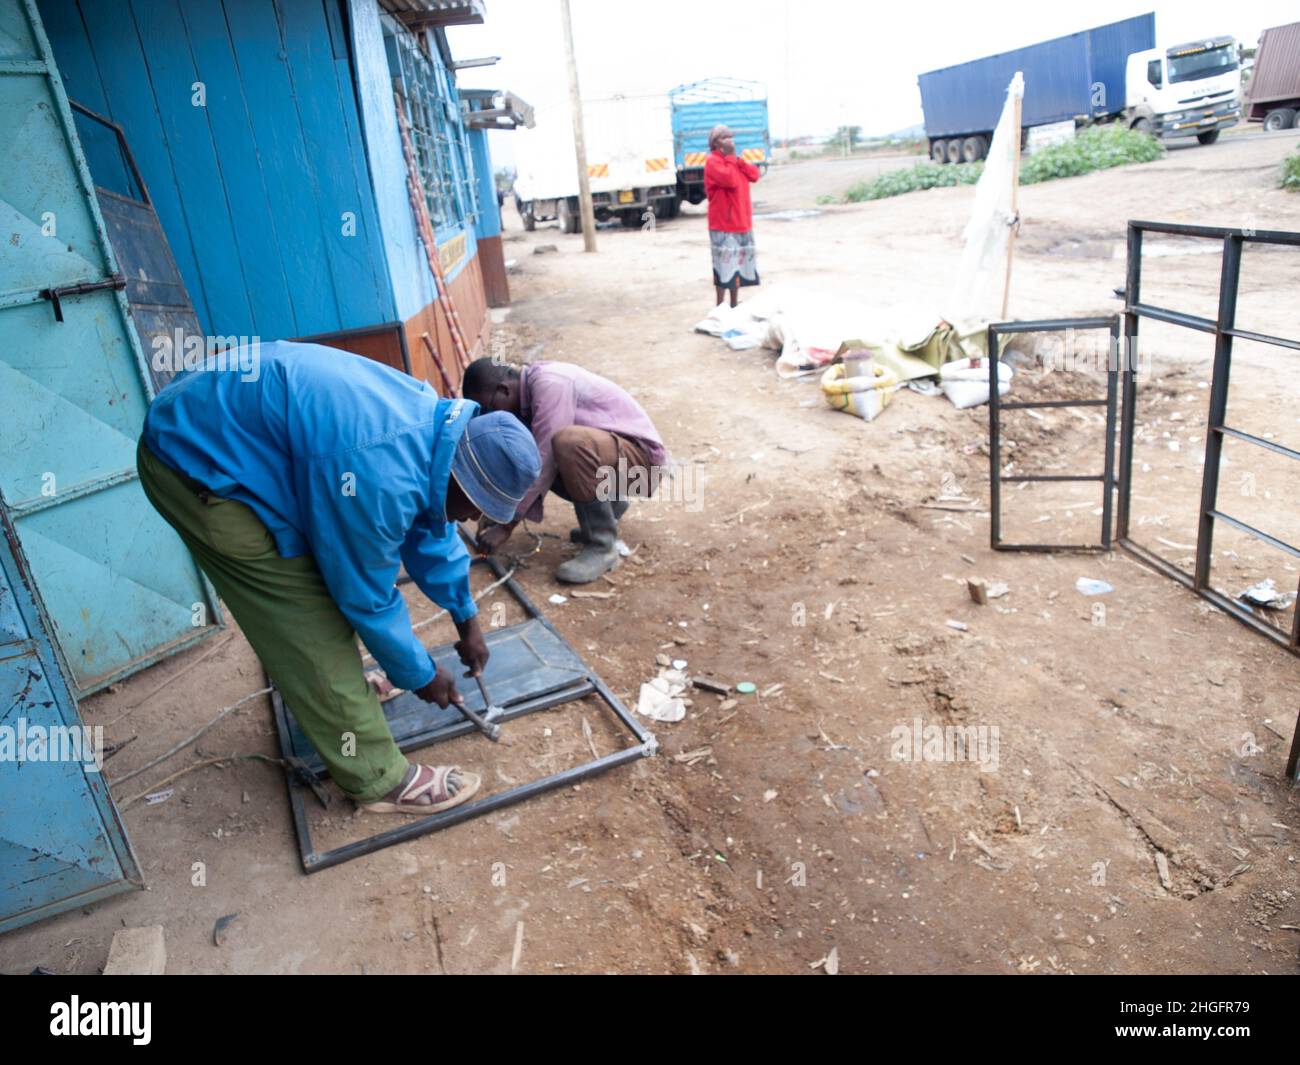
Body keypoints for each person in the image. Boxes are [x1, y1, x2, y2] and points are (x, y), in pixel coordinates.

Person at [137, 342, 541, 815]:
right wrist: (419, 675)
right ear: (461, 479)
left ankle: (341, 694)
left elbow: (430, 528)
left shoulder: (433, 428)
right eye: (477, 506)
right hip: (193, 463)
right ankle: (377, 778)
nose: (473, 518)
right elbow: (365, 596)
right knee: (308, 615)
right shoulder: (378, 475)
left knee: (333, 581)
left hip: (226, 427)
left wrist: (465, 617)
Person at [460, 357, 668, 584]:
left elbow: (544, 461)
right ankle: (610, 507)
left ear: (504, 390)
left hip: (643, 468)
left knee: (566, 444)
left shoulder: (550, 384)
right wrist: (497, 509)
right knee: (541, 449)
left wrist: (507, 523)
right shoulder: (528, 394)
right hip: (615, 460)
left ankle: (603, 547)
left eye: (489, 407)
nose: (490, 415)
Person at [703, 124, 761, 309]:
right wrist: (730, 158)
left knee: (737, 268)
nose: (730, 140)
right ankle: (720, 306)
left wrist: (738, 160)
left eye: (730, 136)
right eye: (724, 137)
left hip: (742, 222)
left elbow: (754, 175)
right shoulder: (713, 161)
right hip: (723, 224)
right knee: (723, 267)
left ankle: (734, 305)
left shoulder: (734, 161)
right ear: (715, 143)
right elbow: (730, 181)